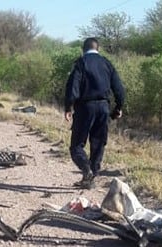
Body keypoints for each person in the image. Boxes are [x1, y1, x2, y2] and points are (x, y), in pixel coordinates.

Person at [64, 37, 125, 189]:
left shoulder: (80, 63)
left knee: (76, 145)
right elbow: (119, 88)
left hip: (85, 107)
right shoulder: (107, 63)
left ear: (83, 49)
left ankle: (87, 170)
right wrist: (118, 107)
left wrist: (68, 107)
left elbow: (73, 88)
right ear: (98, 49)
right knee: (98, 144)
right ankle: (91, 177)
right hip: (103, 107)